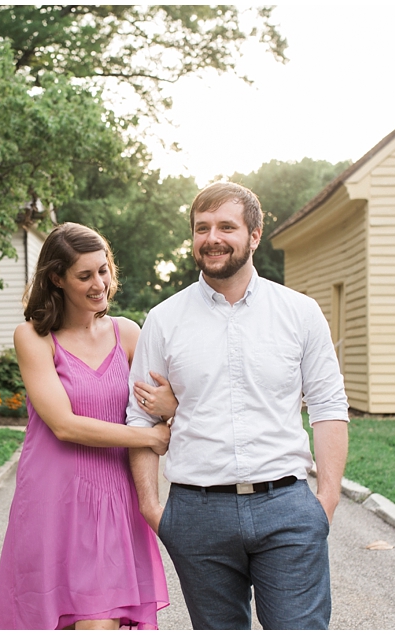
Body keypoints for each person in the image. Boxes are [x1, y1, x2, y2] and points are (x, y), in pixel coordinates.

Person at [127, 182, 350, 630]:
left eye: (226, 226)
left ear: (254, 234)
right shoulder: (164, 320)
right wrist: (154, 509)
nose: (212, 238)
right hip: (196, 513)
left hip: (286, 507)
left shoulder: (300, 313)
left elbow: (327, 406)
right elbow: (141, 418)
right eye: (202, 228)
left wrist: (324, 501)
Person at [0, 222, 176, 630]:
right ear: (57, 278)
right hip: (53, 501)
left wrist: (168, 409)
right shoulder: (33, 338)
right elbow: (64, 425)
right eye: (85, 275)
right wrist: (149, 437)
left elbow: (156, 405)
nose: (99, 284)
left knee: (100, 623)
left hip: (114, 497)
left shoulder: (128, 333)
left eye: (103, 270)